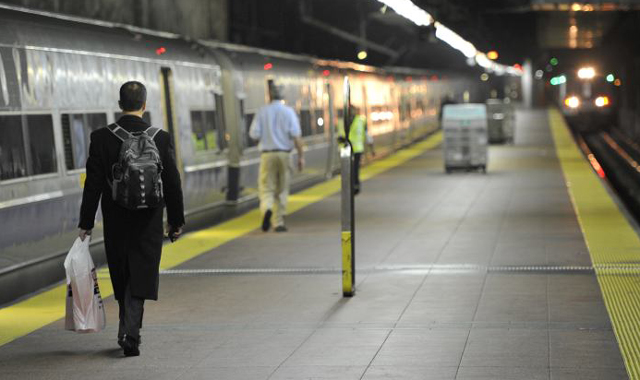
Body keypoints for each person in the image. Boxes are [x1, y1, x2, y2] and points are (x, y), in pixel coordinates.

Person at [78, 81, 185, 357]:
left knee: (122, 272)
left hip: (116, 217)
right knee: (141, 274)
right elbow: (172, 182)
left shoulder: (101, 137)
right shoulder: (160, 137)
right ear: (144, 105)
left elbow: (92, 184)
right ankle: (131, 333)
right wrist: (176, 220)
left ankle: (127, 329)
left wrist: (86, 223)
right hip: (149, 217)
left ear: (119, 105)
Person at [249, 82, 304, 232]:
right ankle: (278, 222)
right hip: (284, 154)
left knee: (266, 188)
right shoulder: (288, 112)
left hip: (267, 154)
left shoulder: (262, 111)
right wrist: (300, 157)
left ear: (270, 95)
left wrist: (266, 138)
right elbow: (296, 136)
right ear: (283, 96)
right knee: (282, 188)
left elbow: (254, 135)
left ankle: (267, 208)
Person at [341, 105, 375, 195]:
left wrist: (372, 148)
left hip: (357, 150)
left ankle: (355, 186)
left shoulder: (361, 121)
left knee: (354, 169)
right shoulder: (343, 121)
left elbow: (367, 135)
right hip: (346, 150)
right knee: (350, 169)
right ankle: (352, 186)